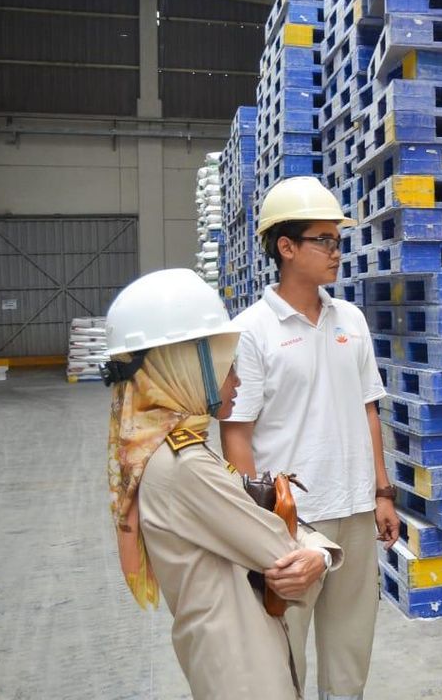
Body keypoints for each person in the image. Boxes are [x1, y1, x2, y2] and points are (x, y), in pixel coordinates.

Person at [104, 268, 342, 700]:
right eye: (226, 368)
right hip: (243, 669)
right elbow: (281, 551)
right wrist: (322, 553)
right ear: (183, 368)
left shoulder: (157, 450)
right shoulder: (183, 466)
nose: (237, 382)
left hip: (224, 655)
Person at [221, 176, 398, 700]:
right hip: (290, 522)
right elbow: (237, 433)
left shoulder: (353, 321)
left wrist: (382, 492)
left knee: (350, 658)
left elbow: (369, 408)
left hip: (355, 512)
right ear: (287, 247)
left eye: (338, 240)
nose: (336, 252)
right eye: (325, 240)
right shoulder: (251, 331)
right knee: (282, 660)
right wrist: (256, 522)